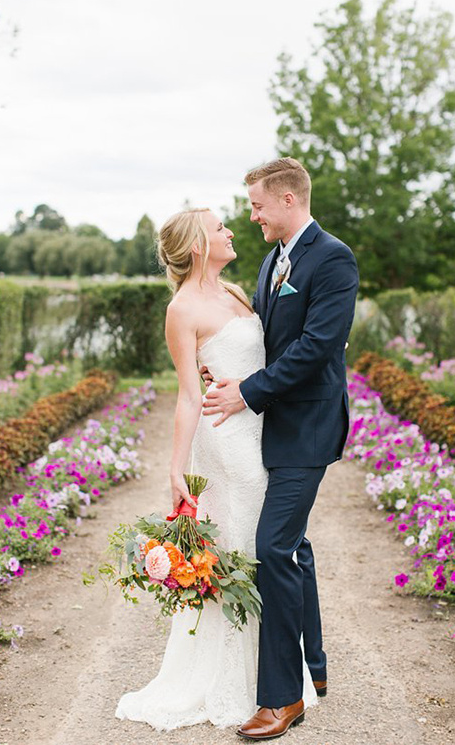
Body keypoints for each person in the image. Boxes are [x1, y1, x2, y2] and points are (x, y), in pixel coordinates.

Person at [115, 206, 317, 731]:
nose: (231, 231)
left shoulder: (233, 292)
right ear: (199, 245)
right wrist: (176, 468)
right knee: (245, 549)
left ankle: (275, 678)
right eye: (220, 227)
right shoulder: (182, 309)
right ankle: (242, 683)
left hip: (261, 427)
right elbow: (187, 395)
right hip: (227, 444)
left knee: (267, 549)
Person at [202, 157, 359, 740]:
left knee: (272, 548)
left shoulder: (333, 257)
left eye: (257, 205)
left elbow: (317, 346)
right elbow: (261, 342)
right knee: (295, 545)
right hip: (265, 432)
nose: (252, 216)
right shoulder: (272, 261)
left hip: (308, 429)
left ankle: (280, 699)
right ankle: (314, 668)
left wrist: (248, 393)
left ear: (288, 200)